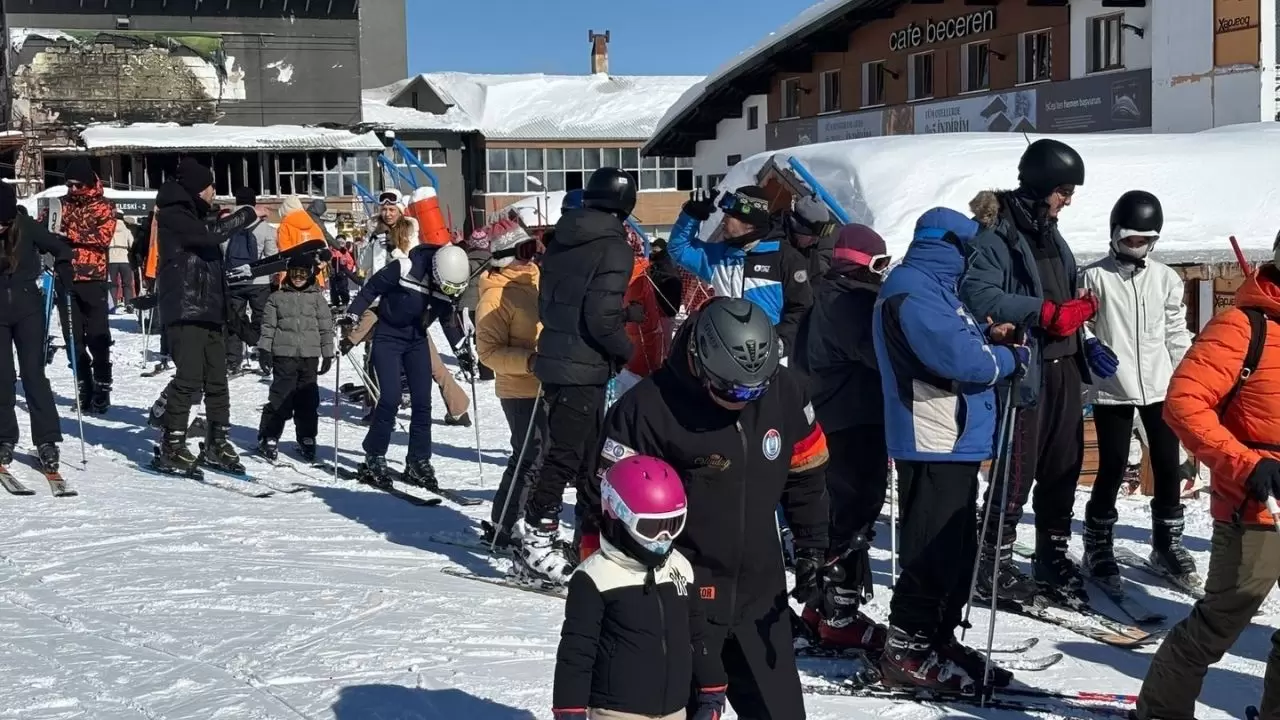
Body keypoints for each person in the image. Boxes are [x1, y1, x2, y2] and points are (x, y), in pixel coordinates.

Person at [590, 297, 829, 720]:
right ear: (700, 362)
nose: (743, 400)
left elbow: (806, 476)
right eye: (732, 389)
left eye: (755, 390)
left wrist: (812, 548)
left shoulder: (786, 392)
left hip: (759, 596)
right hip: (677, 601)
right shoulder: (646, 411)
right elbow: (602, 510)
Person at [873, 207, 1027, 692]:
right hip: (933, 434)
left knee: (957, 548)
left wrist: (990, 337)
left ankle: (936, 635)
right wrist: (1006, 357)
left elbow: (962, 341)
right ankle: (907, 646)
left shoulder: (933, 288)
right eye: (968, 249)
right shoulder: (912, 290)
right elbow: (959, 358)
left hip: (953, 437)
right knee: (931, 549)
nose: (971, 259)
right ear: (950, 245)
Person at [1133, 237, 1280, 720]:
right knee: (1221, 621)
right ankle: (1159, 713)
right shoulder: (1242, 327)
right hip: (1257, 506)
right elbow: (1183, 405)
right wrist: (1247, 463)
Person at [961, 138, 1105, 606]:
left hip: (1065, 367)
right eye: (1064, 189)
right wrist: (1043, 313)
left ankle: (1051, 555)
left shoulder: (1049, 230)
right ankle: (991, 563)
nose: (1069, 198)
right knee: (1017, 470)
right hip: (1026, 372)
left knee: (1064, 468)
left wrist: (1082, 319)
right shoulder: (997, 233)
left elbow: (1061, 288)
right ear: (1042, 184)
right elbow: (978, 293)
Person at [522, 167, 638, 583]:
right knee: (567, 455)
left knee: (592, 459)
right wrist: (626, 349)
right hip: (582, 366)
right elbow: (599, 317)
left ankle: (587, 540)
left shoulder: (563, 237)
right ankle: (535, 537)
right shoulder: (613, 247)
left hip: (561, 356)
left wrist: (621, 315)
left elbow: (560, 305)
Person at [1079, 190, 1196, 590]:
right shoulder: (1094, 277)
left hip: (1160, 385)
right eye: (1130, 238)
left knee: (1167, 463)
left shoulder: (1165, 278)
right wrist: (1089, 344)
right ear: (1114, 235)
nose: (1136, 246)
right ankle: (1098, 541)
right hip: (1114, 385)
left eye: (1144, 240)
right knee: (1111, 466)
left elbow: (1175, 330)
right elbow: (1081, 322)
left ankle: (1166, 543)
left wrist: (1190, 372)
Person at [552, 455, 724, 720]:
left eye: (673, 525)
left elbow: (698, 636)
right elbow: (577, 653)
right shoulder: (595, 577)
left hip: (674, 710)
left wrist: (712, 688)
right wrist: (570, 710)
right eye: (651, 527)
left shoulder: (680, 567)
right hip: (617, 712)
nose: (663, 539)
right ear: (617, 514)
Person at [793, 223, 893, 652]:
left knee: (838, 512)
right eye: (881, 263)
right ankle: (840, 613)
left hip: (833, 417)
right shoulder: (850, 302)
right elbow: (877, 354)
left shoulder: (825, 296)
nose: (884, 273)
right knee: (855, 513)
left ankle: (822, 604)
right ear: (863, 262)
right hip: (853, 421)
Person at [152, 158, 257, 475]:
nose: (214, 193)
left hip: (210, 310)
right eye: (212, 187)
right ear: (199, 188)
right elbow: (211, 235)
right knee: (188, 380)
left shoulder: (195, 216)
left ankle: (216, 442)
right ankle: (172, 445)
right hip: (186, 310)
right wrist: (246, 214)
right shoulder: (174, 216)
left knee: (217, 380)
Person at [339, 241, 470, 488]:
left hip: (417, 340)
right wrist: (353, 314)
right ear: (437, 271)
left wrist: (461, 349)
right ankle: (374, 455)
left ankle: (418, 460)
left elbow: (447, 319)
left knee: (423, 402)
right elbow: (370, 290)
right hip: (388, 336)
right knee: (390, 398)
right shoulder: (404, 268)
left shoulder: (448, 284)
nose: (447, 291)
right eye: (445, 286)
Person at [666, 186, 812, 356]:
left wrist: (781, 342)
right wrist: (693, 214)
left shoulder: (784, 258)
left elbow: (802, 309)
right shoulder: (718, 256)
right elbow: (679, 249)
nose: (723, 221)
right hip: (726, 357)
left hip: (770, 360)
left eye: (729, 216)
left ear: (749, 224)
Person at [474, 222, 543, 548]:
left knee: (544, 458)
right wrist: (529, 361)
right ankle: (505, 526)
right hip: (519, 390)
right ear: (503, 257)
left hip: (547, 385)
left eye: (533, 249)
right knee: (528, 457)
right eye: (523, 252)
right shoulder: (494, 297)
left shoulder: (536, 282)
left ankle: (532, 521)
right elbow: (488, 353)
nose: (531, 258)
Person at [0, 183, 73, 473]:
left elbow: (59, 247)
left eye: (4, 222)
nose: (0, 228)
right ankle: (5, 437)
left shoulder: (26, 226)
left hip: (29, 310)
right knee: (3, 378)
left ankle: (46, 440)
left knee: (33, 375)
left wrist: (65, 264)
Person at [256, 263, 335, 464]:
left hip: (309, 356)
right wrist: (264, 350)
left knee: (308, 400)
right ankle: (269, 435)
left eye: (302, 274)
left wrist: (327, 354)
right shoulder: (277, 298)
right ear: (288, 275)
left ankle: (307, 437)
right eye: (294, 274)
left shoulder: (317, 299)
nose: (298, 278)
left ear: (309, 276)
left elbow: (326, 328)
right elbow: (268, 326)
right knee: (281, 398)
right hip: (284, 355)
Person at [55, 158, 117, 414]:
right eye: (69, 185)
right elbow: (47, 228)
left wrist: (70, 235)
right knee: (73, 338)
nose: (73, 190)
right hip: (66, 276)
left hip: (93, 277)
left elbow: (103, 238)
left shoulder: (104, 206)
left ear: (89, 183)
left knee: (97, 337)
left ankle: (102, 384)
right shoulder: (61, 204)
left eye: (78, 185)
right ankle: (84, 384)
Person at [223, 187, 276, 376]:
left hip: (233, 280)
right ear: (254, 203)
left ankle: (232, 361)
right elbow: (272, 258)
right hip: (259, 282)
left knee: (234, 320)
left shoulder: (227, 224)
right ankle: (264, 357)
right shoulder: (264, 228)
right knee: (262, 319)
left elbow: (222, 253)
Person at [786, 194, 838, 291]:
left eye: (818, 237)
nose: (815, 241)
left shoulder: (811, 249)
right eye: (812, 236)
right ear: (797, 227)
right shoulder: (775, 243)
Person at [108, 211, 134, 311]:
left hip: (112, 258)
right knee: (127, 283)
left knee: (113, 284)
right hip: (125, 259)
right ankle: (129, 304)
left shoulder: (109, 229)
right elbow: (131, 244)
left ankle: (113, 305)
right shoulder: (126, 230)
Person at [329, 235, 359, 309]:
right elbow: (327, 261)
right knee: (333, 288)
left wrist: (347, 271)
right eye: (338, 242)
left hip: (342, 273)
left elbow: (350, 262)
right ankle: (335, 302)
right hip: (333, 273)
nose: (339, 244)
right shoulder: (331, 251)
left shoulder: (345, 252)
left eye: (342, 242)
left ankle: (345, 301)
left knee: (343, 288)